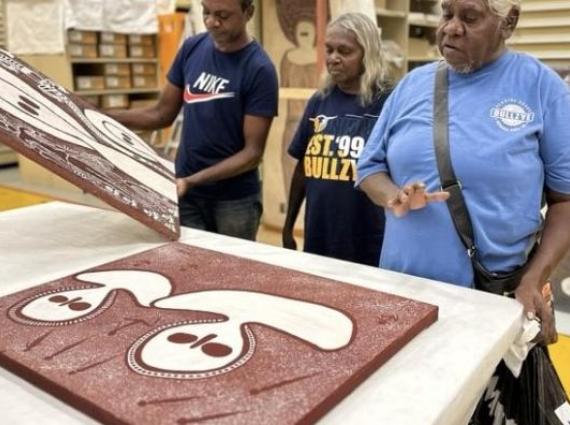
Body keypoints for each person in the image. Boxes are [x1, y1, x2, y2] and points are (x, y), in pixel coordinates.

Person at [357, 0, 570, 344]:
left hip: (489, 304)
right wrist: (392, 196)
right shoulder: (412, 86)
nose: (451, 27)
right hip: (401, 295)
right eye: (446, 14)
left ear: (509, 22)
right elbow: (369, 167)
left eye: (470, 18)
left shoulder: (542, 89)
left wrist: (534, 279)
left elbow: (565, 201)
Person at [107, 0, 278, 240]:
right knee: (189, 266)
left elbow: (252, 154)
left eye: (223, 16)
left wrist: (192, 181)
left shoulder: (260, 69)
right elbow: (161, 114)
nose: (211, 22)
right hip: (186, 193)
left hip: (233, 202)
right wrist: (102, 115)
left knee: (229, 271)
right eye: (206, 12)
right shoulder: (191, 49)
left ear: (248, 12)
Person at [282, 13, 391, 266]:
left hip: (368, 241)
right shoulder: (320, 101)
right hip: (320, 236)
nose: (333, 58)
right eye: (329, 49)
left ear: (368, 53)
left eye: (344, 51)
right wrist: (288, 227)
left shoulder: (388, 102)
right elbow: (302, 170)